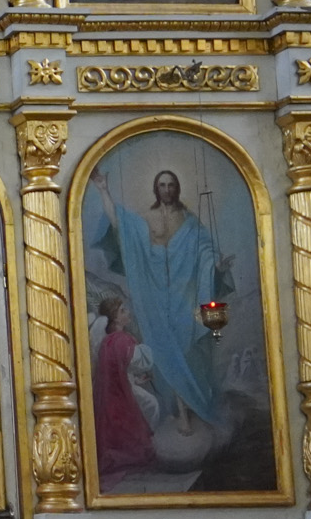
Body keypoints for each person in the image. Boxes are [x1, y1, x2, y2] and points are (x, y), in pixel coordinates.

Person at [85, 167, 232, 433]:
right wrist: (103, 190)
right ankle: (182, 413)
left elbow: (206, 250)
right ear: (156, 188)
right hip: (153, 294)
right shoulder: (147, 218)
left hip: (183, 295)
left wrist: (216, 265)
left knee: (186, 352)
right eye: (162, 185)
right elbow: (118, 224)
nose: (166, 189)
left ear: (177, 188)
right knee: (165, 352)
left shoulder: (189, 220)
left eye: (171, 185)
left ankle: (197, 405)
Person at [92, 295, 156, 473]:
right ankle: (142, 446)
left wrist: (135, 379)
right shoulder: (122, 340)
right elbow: (141, 363)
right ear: (115, 318)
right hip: (120, 391)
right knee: (152, 405)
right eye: (122, 311)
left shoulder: (108, 341)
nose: (127, 313)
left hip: (113, 389)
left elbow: (120, 369)